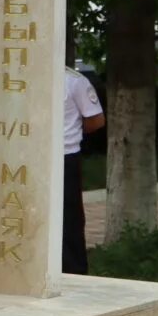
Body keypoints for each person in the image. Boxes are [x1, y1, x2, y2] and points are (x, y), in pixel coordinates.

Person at [62, 63, 105, 276]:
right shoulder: (26, 76)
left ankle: (73, 271)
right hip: (30, 157)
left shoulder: (74, 81)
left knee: (68, 219)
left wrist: (71, 132)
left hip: (64, 156)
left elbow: (96, 119)